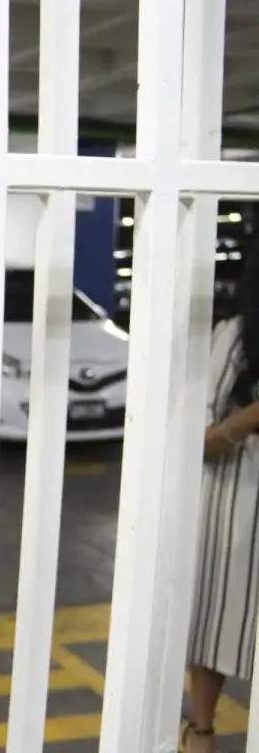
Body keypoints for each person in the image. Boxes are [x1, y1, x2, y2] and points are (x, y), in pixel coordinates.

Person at [183, 236, 259, 753]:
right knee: (218, 624)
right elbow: (200, 442)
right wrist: (251, 418)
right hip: (237, 510)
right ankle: (201, 732)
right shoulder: (234, 339)